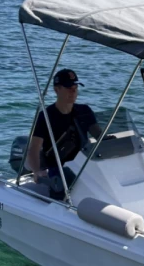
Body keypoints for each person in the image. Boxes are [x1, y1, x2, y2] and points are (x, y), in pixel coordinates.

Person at [26, 69, 103, 200]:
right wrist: (36, 171)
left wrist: (115, 142)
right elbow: (34, 148)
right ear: (57, 90)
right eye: (68, 87)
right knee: (66, 190)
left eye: (75, 87)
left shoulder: (84, 111)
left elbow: (100, 137)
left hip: (83, 164)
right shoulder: (46, 116)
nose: (73, 91)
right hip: (59, 168)